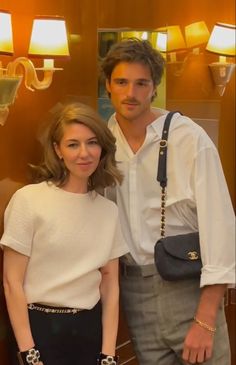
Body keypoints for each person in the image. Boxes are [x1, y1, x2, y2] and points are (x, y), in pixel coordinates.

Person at [101, 38, 235, 365]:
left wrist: (205, 318)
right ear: (108, 86)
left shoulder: (188, 139)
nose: (130, 93)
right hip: (134, 292)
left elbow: (221, 228)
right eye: (121, 82)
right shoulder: (103, 141)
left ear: (154, 88)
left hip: (189, 289)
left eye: (141, 83)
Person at [0, 102, 128, 365]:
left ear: (102, 147)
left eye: (92, 142)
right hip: (39, 330)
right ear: (57, 150)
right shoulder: (29, 200)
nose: (84, 153)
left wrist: (108, 353)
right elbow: (12, 283)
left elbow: (110, 283)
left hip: (90, 331)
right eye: (73, 144)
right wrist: (29, 352)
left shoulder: (108, 211)